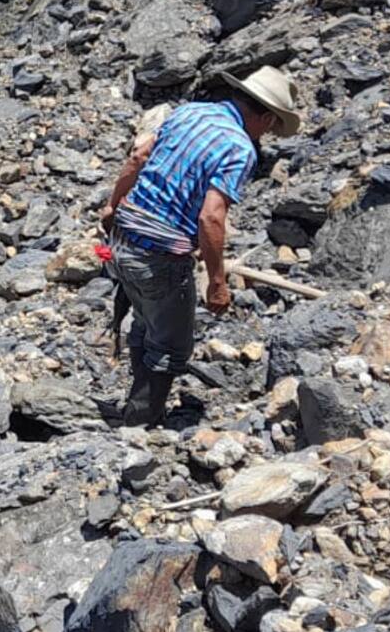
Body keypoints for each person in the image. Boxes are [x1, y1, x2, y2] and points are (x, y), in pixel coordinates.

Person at [100, 66, 302, 427]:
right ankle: (139, 424)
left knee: (147, 319)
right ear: (268, 117)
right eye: (270, 128)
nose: (266, 135)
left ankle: (135, 405)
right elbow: (211, 217)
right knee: (171, 343)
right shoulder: (240, 148)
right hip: (160, 253)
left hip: (124, 235)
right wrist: (217, 282)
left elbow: (138, 157)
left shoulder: (190, 112)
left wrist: (113, 206)